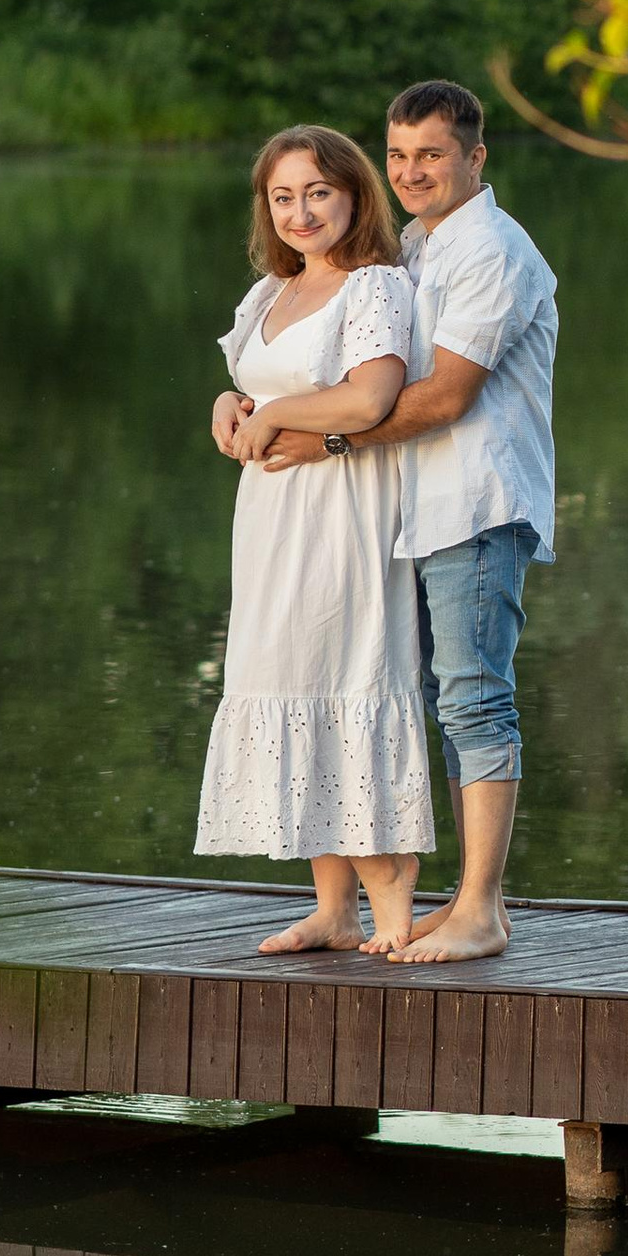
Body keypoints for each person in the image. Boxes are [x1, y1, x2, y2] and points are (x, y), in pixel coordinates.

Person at [264, 80, 558, 965]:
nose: (412, 171)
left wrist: (327, 444)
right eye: (397, 156)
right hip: (403, 512)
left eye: (431, 154)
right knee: (407, 696)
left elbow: (445, 396)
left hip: (474, 503)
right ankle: (404, 903)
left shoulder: (494, 251)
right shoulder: (416, 249)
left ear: (475, 155)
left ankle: (481, 909)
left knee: (474, 697)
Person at [195, 126, 431, 956]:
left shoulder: (374, 287)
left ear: (355, 196)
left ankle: (391, 888)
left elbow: (368, 400)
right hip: (269, 518)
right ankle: (333, 905)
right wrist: (230, 408)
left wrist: (282, 413)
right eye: (283, 196)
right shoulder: (271, 292)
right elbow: (250, 383)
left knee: (343, 670)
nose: (300, 212)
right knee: (286, 675)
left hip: (343, 512)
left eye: (318, 193)